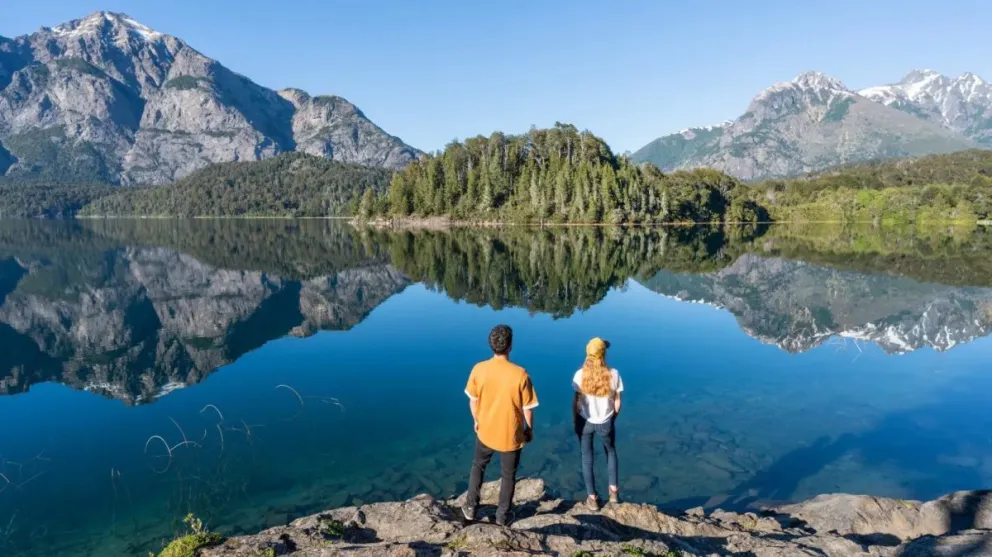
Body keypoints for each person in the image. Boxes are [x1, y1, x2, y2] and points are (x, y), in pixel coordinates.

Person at [462, 324, 539, 526]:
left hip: (485, 430)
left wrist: (477, 420)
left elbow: (473, 400)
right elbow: (528, 408)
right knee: (508, 475)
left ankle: (470, 507)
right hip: (510, 434)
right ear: (510, 346)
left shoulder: (479, 369)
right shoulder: (521, 374)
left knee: (478, 465)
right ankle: (502, 517)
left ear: (491, 345)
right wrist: (529, 429)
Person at [572, 337, 623, 510]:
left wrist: (575, 421)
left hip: (585, 422)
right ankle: (614, 492)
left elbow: (577, 403)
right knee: (610, 452)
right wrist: (611, 419)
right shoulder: (614, 374)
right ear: (603, 354)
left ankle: (592, 499)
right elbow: (617, 404)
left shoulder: (580, 375)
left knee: (587, 458)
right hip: (606, 423)